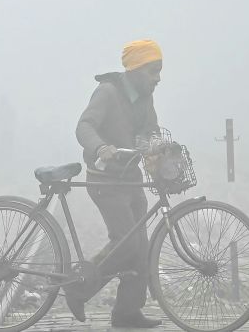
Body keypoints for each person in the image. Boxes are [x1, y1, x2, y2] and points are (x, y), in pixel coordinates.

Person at [71, 39, 163, 328]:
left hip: (131, 181)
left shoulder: (146, 98)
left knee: (142, 248)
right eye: (153, 72)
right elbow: (84, 126)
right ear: (135, 70)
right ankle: (77, 287)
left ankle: (127, 312)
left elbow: (151, 132)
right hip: (105, 181)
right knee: (127, 242)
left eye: (159, 72)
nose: (158, 79)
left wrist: (157, 149)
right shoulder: (108, 92)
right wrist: (100, 148)